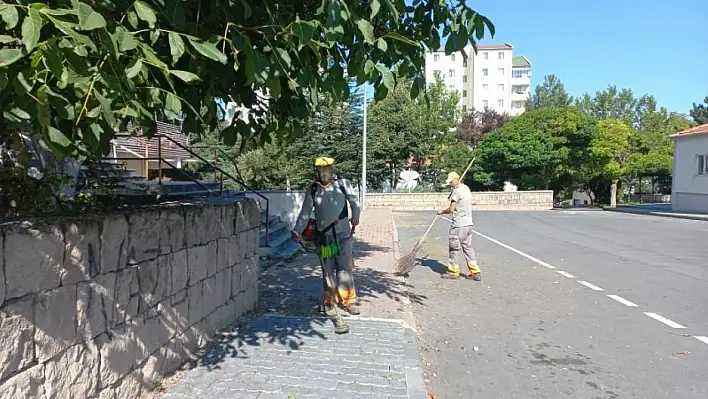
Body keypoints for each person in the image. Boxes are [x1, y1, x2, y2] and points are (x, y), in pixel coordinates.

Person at [292, 156, 362, 315]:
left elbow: (354, 202)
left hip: (343, 236)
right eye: (320, 169)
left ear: (332, 169)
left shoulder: (343, 185)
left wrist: (356, 216)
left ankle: (349, 301)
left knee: (344, 269)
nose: (323, 172)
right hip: (325, 238)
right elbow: (305, 212)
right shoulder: (314, 190)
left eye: (326, 169)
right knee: (328, 271)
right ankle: (329, 301)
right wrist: (297, 230)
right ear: (316, 171)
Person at [437, 171, 481, 281]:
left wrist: (441, 211)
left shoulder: (456, 192)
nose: (450, 184)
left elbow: (451, 209)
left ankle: (453, 272)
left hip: (458, 225)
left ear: (456, 179)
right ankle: (475, 271)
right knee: (468, 248)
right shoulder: (466, 188)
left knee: (454, 248)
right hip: (468, 224)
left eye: (451, 182)